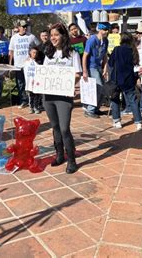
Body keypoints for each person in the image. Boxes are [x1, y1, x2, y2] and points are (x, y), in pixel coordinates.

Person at [43, 23, 82, 174]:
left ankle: (71, 159)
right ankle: (59, 155)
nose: (53, 38)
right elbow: (44, 73)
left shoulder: (73, 54)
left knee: (65, 128)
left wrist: (69, 84)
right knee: (55, 127)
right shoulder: (48, 54)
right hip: (48, 96)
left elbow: (77, 74)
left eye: (56, 35)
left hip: (64, 96)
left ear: (63, 36)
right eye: (51, 35)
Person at [109, 33, 142, 130]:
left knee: (115, 100)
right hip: (129, 78)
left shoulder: (117, 49)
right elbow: (136, 65)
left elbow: (111, 63)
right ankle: (138, 123)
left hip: (116, 79)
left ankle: (117, 121)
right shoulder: (133, 50)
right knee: (133, 100)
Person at [8, 19, 40, 108]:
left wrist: (34, 56)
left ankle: (33, 101)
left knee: (30, 83)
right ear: (18, 27)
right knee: (20, 84)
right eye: (23, 27)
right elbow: (11, 52)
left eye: (26, 26)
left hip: (29, 65)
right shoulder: (14, 38)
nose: (25, 28)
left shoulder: (32, 37)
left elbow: (38, 47)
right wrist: (10, 64)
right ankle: (23, 100)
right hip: (18, 65)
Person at [82, 22, 110, 118]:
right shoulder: (92, 40)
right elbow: (85, 56)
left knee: (103, 88)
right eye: (104, 29)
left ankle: (96, 108)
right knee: (98, 87)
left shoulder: (106, 41)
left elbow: (105, 55)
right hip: (91, 66)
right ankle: (90, 110)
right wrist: (85, 71)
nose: (106, 32)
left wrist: (105, 68)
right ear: (99, 29)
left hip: (99, 66)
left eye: (107, 30)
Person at [24, 46, 43, 114]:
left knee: (37, 95)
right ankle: (31, 107)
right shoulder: (27, 61)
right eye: (33, 52)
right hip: (29, 82)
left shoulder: (39, 62)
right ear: (30, 53)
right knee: (31, 96)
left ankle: (36, 107)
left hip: (36, 82)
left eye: (36, 53)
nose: (35, 54)